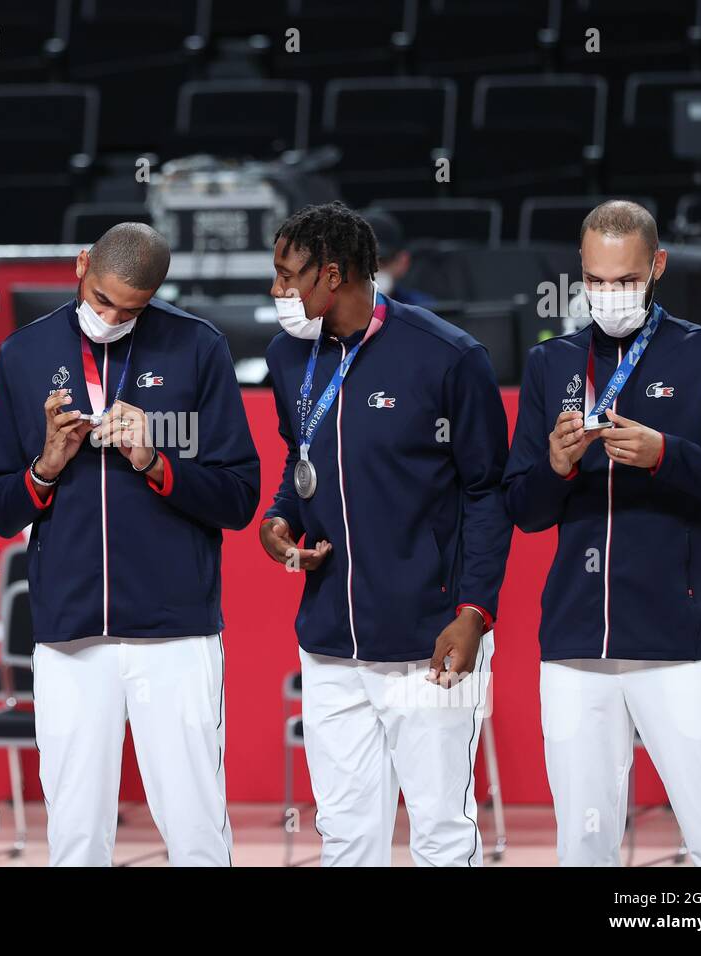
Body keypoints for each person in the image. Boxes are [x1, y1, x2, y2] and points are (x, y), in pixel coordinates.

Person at [503, 199, 701, 866]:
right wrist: (557, 465)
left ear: (656, 267)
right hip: (575, 647)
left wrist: (668, 456)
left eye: (624, 281)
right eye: (596, 281)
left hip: (680, 643)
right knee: (584, 845)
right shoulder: (552, 366)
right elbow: (523, 507)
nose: (609, 295)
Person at [0, 222, 259, 866]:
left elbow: (239, 498)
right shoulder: (24, 354)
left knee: (194, 826)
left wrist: (155, 459)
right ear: (82, 266)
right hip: (70, 630)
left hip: (176, 632)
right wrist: (45, 466)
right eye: (102, 300)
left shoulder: (197, 347)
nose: (111, 318)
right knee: (75, 832)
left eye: (131, 309)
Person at [259, 201, 512, 866]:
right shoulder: (287, 356)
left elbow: (488, 491)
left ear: (333, 275)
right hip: (329, 645)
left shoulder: (449, 357)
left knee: (442, 830)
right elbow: (300, 458)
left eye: (288, 276)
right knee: (344, 835)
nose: (276, 290)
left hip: (428, 645)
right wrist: (280, 520)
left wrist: (475, 613)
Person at [362, 208, 435, 306]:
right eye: (362, 261)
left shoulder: (424, 310)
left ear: (403, 262)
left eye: (382, 261)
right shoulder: (335, 312)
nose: (373, 271)